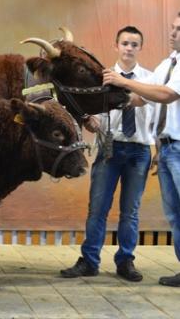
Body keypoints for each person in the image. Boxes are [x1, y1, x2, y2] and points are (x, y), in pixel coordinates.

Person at [61, 26, 153, 282]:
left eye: (134, 44)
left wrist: (121, 84)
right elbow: (97, 116)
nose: (129, 48)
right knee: (97, 209)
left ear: (140, 48)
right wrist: (90, 121)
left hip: (139, 151)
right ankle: (90, 260)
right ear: (116, 46)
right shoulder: (101, 79)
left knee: (130, 211)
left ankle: (125, 261)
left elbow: (143, 103)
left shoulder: (149, 79)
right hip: (110, 149)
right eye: (125, 43)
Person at [103, 13, 180, 287]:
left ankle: (127, 258)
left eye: (178, 29)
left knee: (146, 210)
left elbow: (166, 95)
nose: (172, 33)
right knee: (175, 214)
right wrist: (97, 99)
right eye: (172, 28)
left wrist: (123, 82)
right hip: (168, 148)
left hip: (173, 149)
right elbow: (141, 97)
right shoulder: (167, 63)